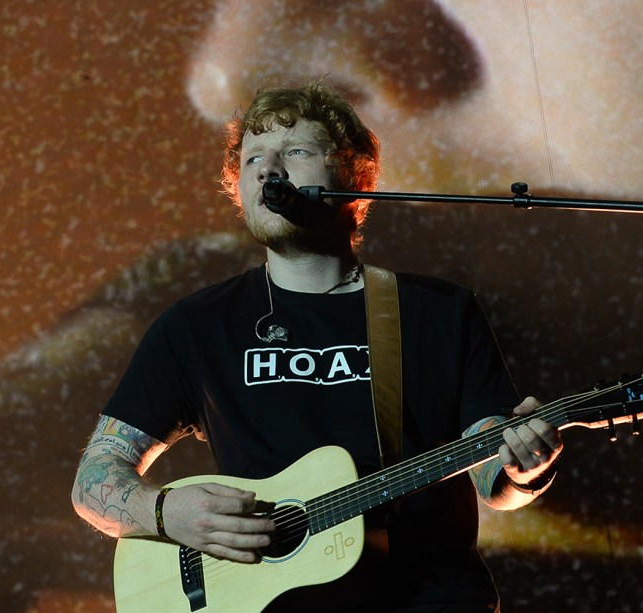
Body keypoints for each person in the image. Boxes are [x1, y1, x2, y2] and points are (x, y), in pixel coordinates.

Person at [71, 81, 563, 612]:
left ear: (354, 178)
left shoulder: (438, 311)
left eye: (297, 152)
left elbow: (495, 478)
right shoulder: (196, 326)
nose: (268, 168)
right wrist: (166, 512)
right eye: (254, 158)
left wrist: (524, 468)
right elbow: (94, 479)